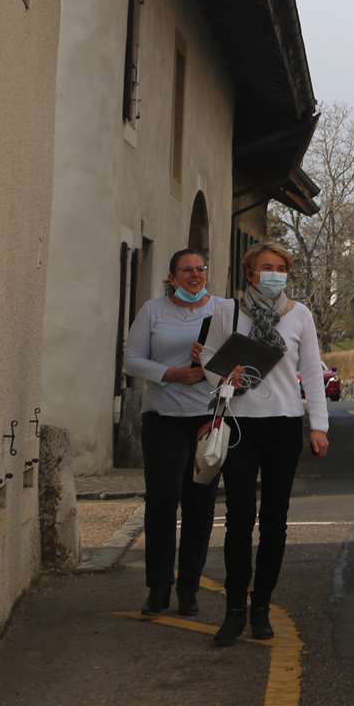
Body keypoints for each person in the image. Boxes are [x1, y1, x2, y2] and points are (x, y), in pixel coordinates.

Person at [214, 242, 331, 647]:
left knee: (275, 522)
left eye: (281, 267)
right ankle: (233, 610)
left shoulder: (299, 315)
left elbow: (312, 373)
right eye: (266, 267)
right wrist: (218, 380)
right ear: (250, 273)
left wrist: (319, 425)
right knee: (239, 518)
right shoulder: (228, 312)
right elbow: (209, 365)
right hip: (240, 425)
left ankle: (261, 607)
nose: (274, 272)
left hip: (283, 425)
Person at [123, 248, 229, 618]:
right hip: (163, 417)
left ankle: (189, 589)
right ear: (172, 277)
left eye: (201, 269)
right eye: (187, 270)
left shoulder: (223, 310)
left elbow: (241, 363)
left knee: (200, 507)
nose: (195, 275)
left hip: (206, 417)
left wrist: (211, 362)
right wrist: (170, 374)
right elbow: (132, 358)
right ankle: (158, 588)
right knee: (162, 504)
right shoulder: (153, 311)